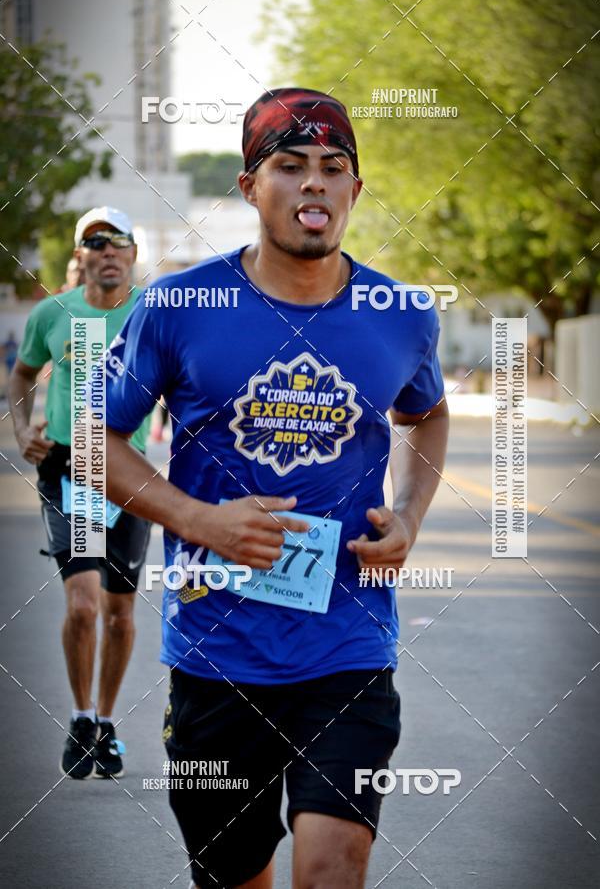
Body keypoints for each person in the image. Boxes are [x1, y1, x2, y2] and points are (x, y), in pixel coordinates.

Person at [104, 88, 449, 888]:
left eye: (334, 169)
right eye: (289, 167)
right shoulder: (181, 306)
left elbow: (428, 416)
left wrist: (409, 514)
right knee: (234, 876)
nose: (314, 186)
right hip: (216, 653)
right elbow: (96, 442)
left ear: (355, 192)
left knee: (334, 866)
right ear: (249, 187)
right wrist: (199, 520)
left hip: (349, 644)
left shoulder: (400, 313)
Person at [8, 206, 152, 780]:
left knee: (119, 614)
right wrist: (23, 430)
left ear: (134, 254)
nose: (109, 250)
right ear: (82, 255)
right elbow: (22, 375)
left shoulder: (152, 313)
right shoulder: (55, 313)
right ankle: (81, 715)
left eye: (120, 241)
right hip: (75, 463)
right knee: (84, 604)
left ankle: (108, 724)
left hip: (133, 468)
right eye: (97, 242)